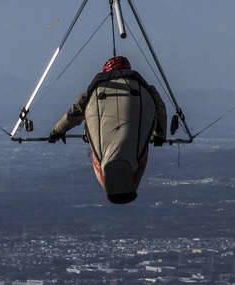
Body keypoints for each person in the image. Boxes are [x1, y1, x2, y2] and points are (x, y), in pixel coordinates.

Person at [48, 55, 168, 204]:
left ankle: (107, 171)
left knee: (103, 152)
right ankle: (127, 177)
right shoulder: (147, 90)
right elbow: (160, 110)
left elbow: (74, 114)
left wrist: (57, 131)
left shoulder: (92, 93)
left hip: (103, 157)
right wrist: (160, 135)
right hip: (135, 155)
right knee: (137, 150)